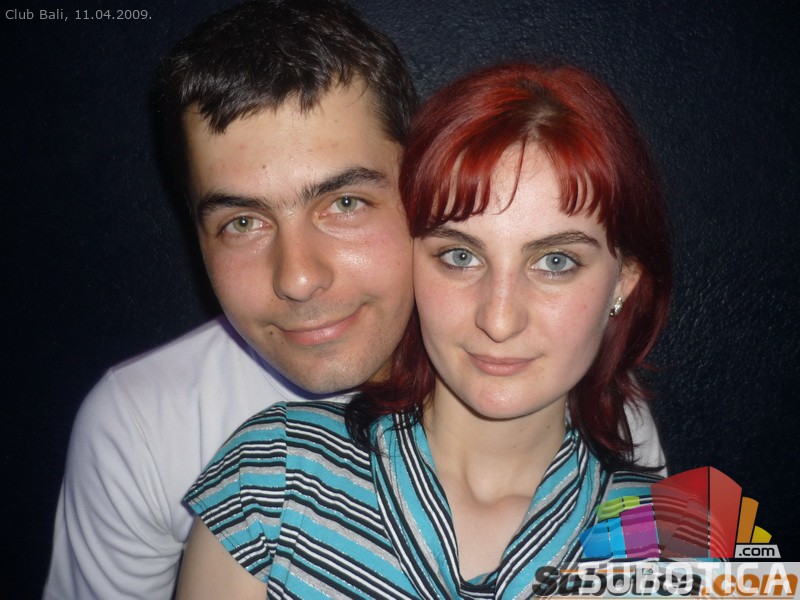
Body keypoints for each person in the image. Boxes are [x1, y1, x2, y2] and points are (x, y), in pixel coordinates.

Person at [44, 2, 664, 597]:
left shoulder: (604, 422)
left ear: (417, 187)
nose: (299, 279)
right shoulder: (148, 428)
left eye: (345, 203)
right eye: (242, 222)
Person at [177, 61, 672, 598]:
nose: (498, 319)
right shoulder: (274, 479)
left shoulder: (678, 533)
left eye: (555, 262)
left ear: (623, 281)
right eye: (460, 256)